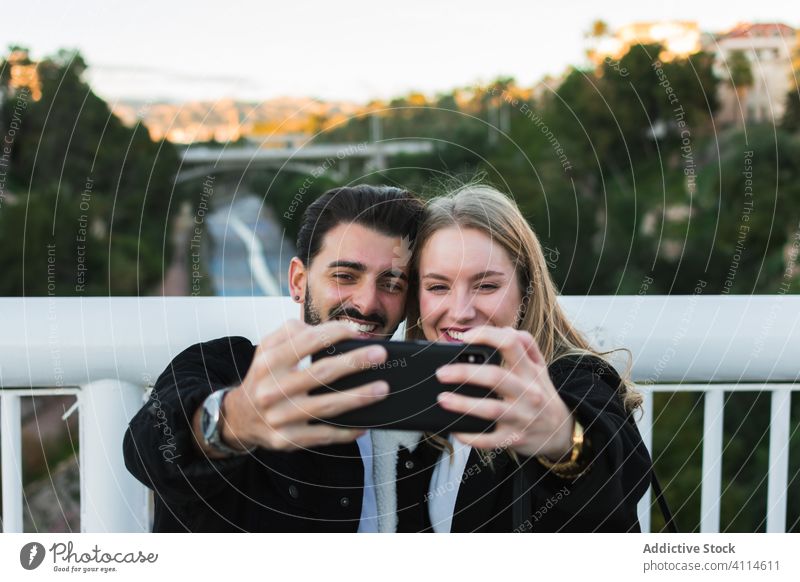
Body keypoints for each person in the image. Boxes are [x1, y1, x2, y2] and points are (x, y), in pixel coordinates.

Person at [123, 184, 425, 532]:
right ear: (299, 281)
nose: (367, 303)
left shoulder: (421, 408)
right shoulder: (223, 366)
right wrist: (232, 422)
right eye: (345, 276)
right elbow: (147, 446)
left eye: (391, 283)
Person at [398, 183, 653, 532]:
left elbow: (614, 475)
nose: (459, 312)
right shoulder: (422, 402)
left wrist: (564, 441)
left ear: (526, 290)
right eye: (438, 287)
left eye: (486, 285)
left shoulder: (575, 380)